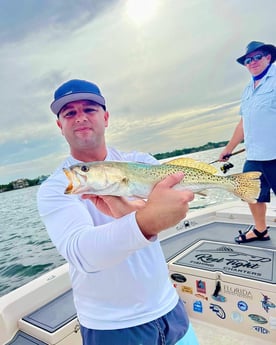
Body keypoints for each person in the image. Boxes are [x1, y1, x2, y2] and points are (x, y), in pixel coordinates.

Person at [37, 79, 199, 345]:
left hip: (169, 307)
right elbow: (81, 253)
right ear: (60, 126)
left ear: (106, 117)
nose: (80, 117)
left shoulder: (142, 162)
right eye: (70, 113)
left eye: (89, 109)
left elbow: (170, 208)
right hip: (111, 326)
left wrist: (132, 212)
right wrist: (143, 221)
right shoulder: (59, 185)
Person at [219, 41, 276, 244]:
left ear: (268, 57)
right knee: (252, 195)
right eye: (248, 60)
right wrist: (228, 148)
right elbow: (243, 123)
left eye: (257, 57)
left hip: (275, 154)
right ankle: (261, 231)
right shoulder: (247, 90)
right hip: (254, 155)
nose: (252, 62)